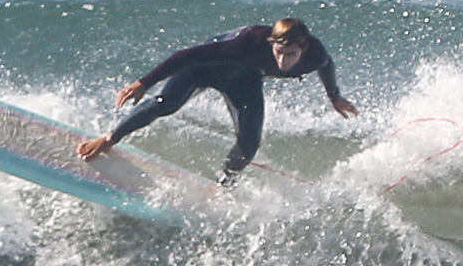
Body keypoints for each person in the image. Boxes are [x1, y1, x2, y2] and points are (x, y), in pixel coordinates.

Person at [77, 18, 358, 184]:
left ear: (303, 48)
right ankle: (109, 139)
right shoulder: (247, 41)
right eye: (279, 51)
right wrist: (143, 83)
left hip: (244, 80)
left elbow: (327, 66)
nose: (282, 60)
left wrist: (334, 97)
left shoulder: (315, 54)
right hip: (204, 68)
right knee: (166, 103)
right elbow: (187, 56)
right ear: (272, 42)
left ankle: (223, 185)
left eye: (290, 55)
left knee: (249, 144)